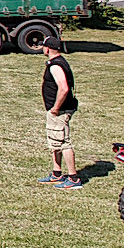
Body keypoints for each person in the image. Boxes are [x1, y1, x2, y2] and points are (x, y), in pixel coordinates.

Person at [37, 35, 81, 190]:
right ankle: (57, 173)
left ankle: (73, 178)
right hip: (56, 110)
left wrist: (55, 108)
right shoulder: (59, 62)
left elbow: (63, 88)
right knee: (55, 141)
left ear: (47, 48)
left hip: (59, 111)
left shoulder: (56, 66)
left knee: (63, 143)